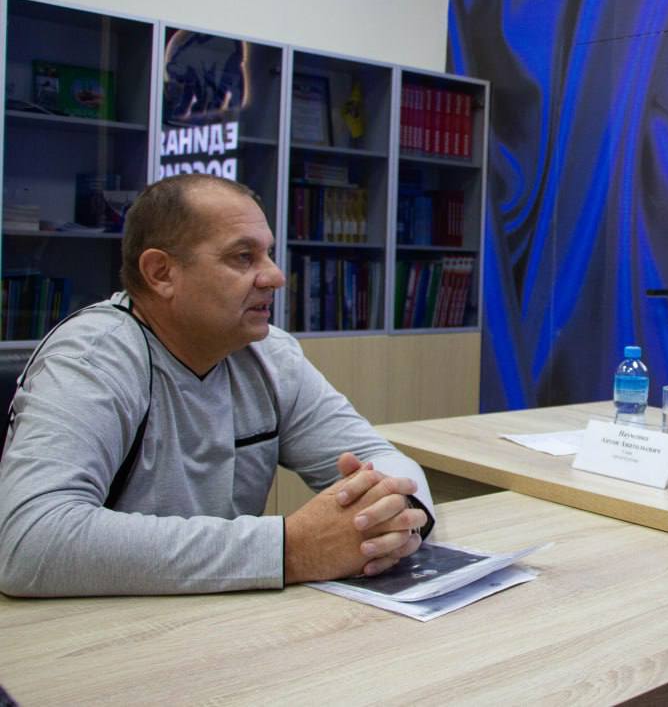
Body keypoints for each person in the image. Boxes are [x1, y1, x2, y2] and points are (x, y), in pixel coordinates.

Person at [0, 174, 433, 596]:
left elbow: (379, 459)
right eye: (243, 257)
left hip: (222, 615)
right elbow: (30, 541)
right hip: (97, 629)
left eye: (268, 254)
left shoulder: (269, 354)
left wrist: (397, 518)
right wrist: (290, 550)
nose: (275, 277)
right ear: (161, 272)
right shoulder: (91, 359)